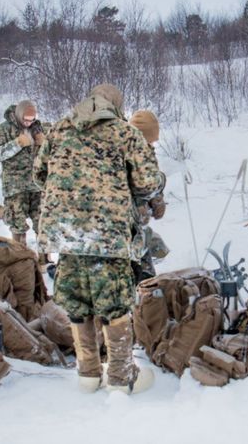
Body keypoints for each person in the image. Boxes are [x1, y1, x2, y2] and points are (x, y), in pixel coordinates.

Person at [34, 84, 164, 394]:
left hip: (66, 234)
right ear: (117, 107)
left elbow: (39, 175)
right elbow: (147, 183)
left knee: (78, 305)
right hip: (107, 236)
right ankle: (121, 377)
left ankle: (88, 375)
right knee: (115, 306)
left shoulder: (58, 129)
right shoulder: (124, 132)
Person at [0, 100, 51, 266]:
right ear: (18, 115)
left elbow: (55, 149)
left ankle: (45, 261)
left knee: (43, 223)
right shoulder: (5, 130)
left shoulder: (39, 128)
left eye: (32, 119)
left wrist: (44, 143)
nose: (28, 122)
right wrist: (16, 144)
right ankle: (21, 262)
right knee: (18, 225)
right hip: (15, 187)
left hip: (37, 185)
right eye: (26, 119)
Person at [128, 110, 168, 282]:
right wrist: (161, 182)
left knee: (146, 275)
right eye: (152, 139)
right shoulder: (137, 156)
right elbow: (147, 185)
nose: (154, 143)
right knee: (141, 278)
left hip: (135, 226)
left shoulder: (137, 152)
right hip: (130, 229)